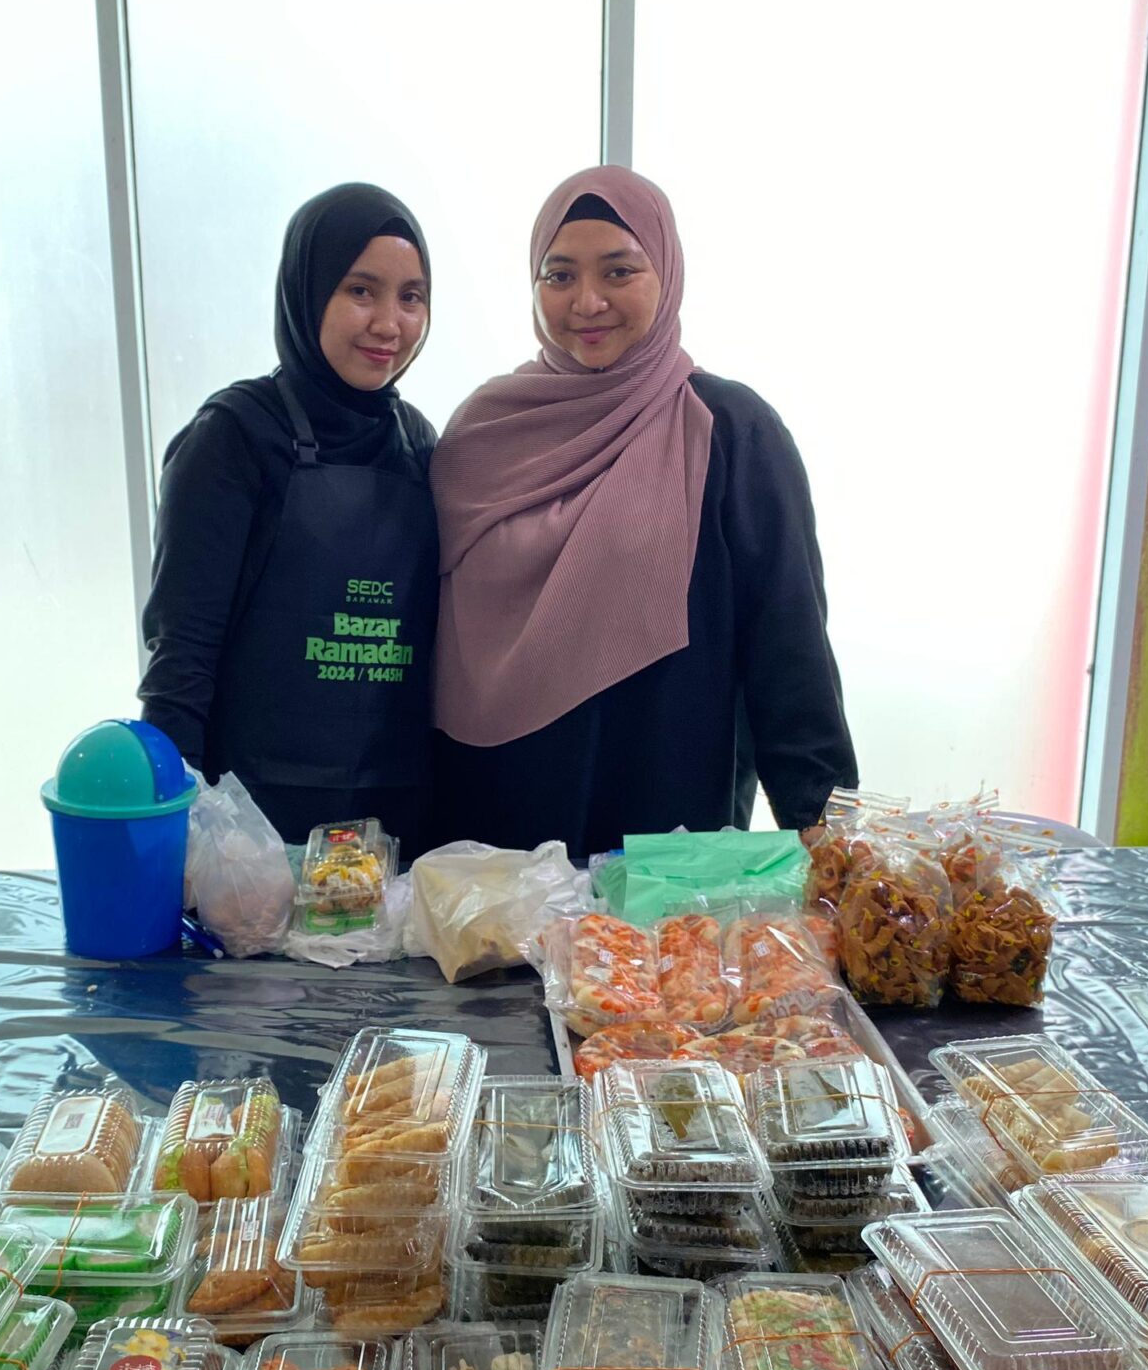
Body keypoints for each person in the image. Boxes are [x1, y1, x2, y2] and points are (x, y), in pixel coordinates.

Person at [428, 166, 856, 859]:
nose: (587, 301)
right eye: (559, 276)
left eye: (619, 272)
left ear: (667, 273)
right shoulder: (480, 434)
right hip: (489, 845)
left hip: (663, 847)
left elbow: (789, 651)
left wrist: (832, 845)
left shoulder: (728, 430)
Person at [139, 184, 438, 853]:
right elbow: (182, 655)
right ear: (308, 291)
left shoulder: (418, 444)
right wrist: (175, 830)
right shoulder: (234, 436)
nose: (389, 323)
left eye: (411, 297)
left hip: (394, 826)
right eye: (360, 291)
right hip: (253, 832)